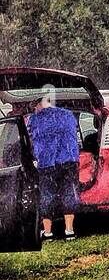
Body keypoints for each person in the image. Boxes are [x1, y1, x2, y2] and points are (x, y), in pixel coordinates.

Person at [26, 91, 81, 241]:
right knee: (69, 192)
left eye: (34, 106)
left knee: (47, 195)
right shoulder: (68, 115)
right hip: (69, 160)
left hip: (47, 163)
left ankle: (48, 233)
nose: (34, 109)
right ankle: (69, 230)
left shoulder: (34, 119)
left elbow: (31, 140)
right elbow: (73, 134)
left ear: (40, 104)